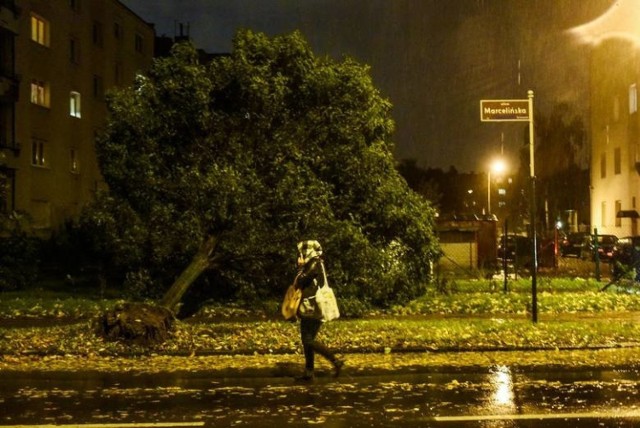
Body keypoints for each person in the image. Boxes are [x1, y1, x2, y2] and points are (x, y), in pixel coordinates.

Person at [294, 240, 344, 381]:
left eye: (303, 252)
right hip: (309, 306)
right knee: (306, 340)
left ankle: (335, 361)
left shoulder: (314, 264)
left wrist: (300, 268)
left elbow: (300, 282)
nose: (300, 255)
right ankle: (309, 372)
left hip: (312, 307)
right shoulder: (315, 262)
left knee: (308, 340)